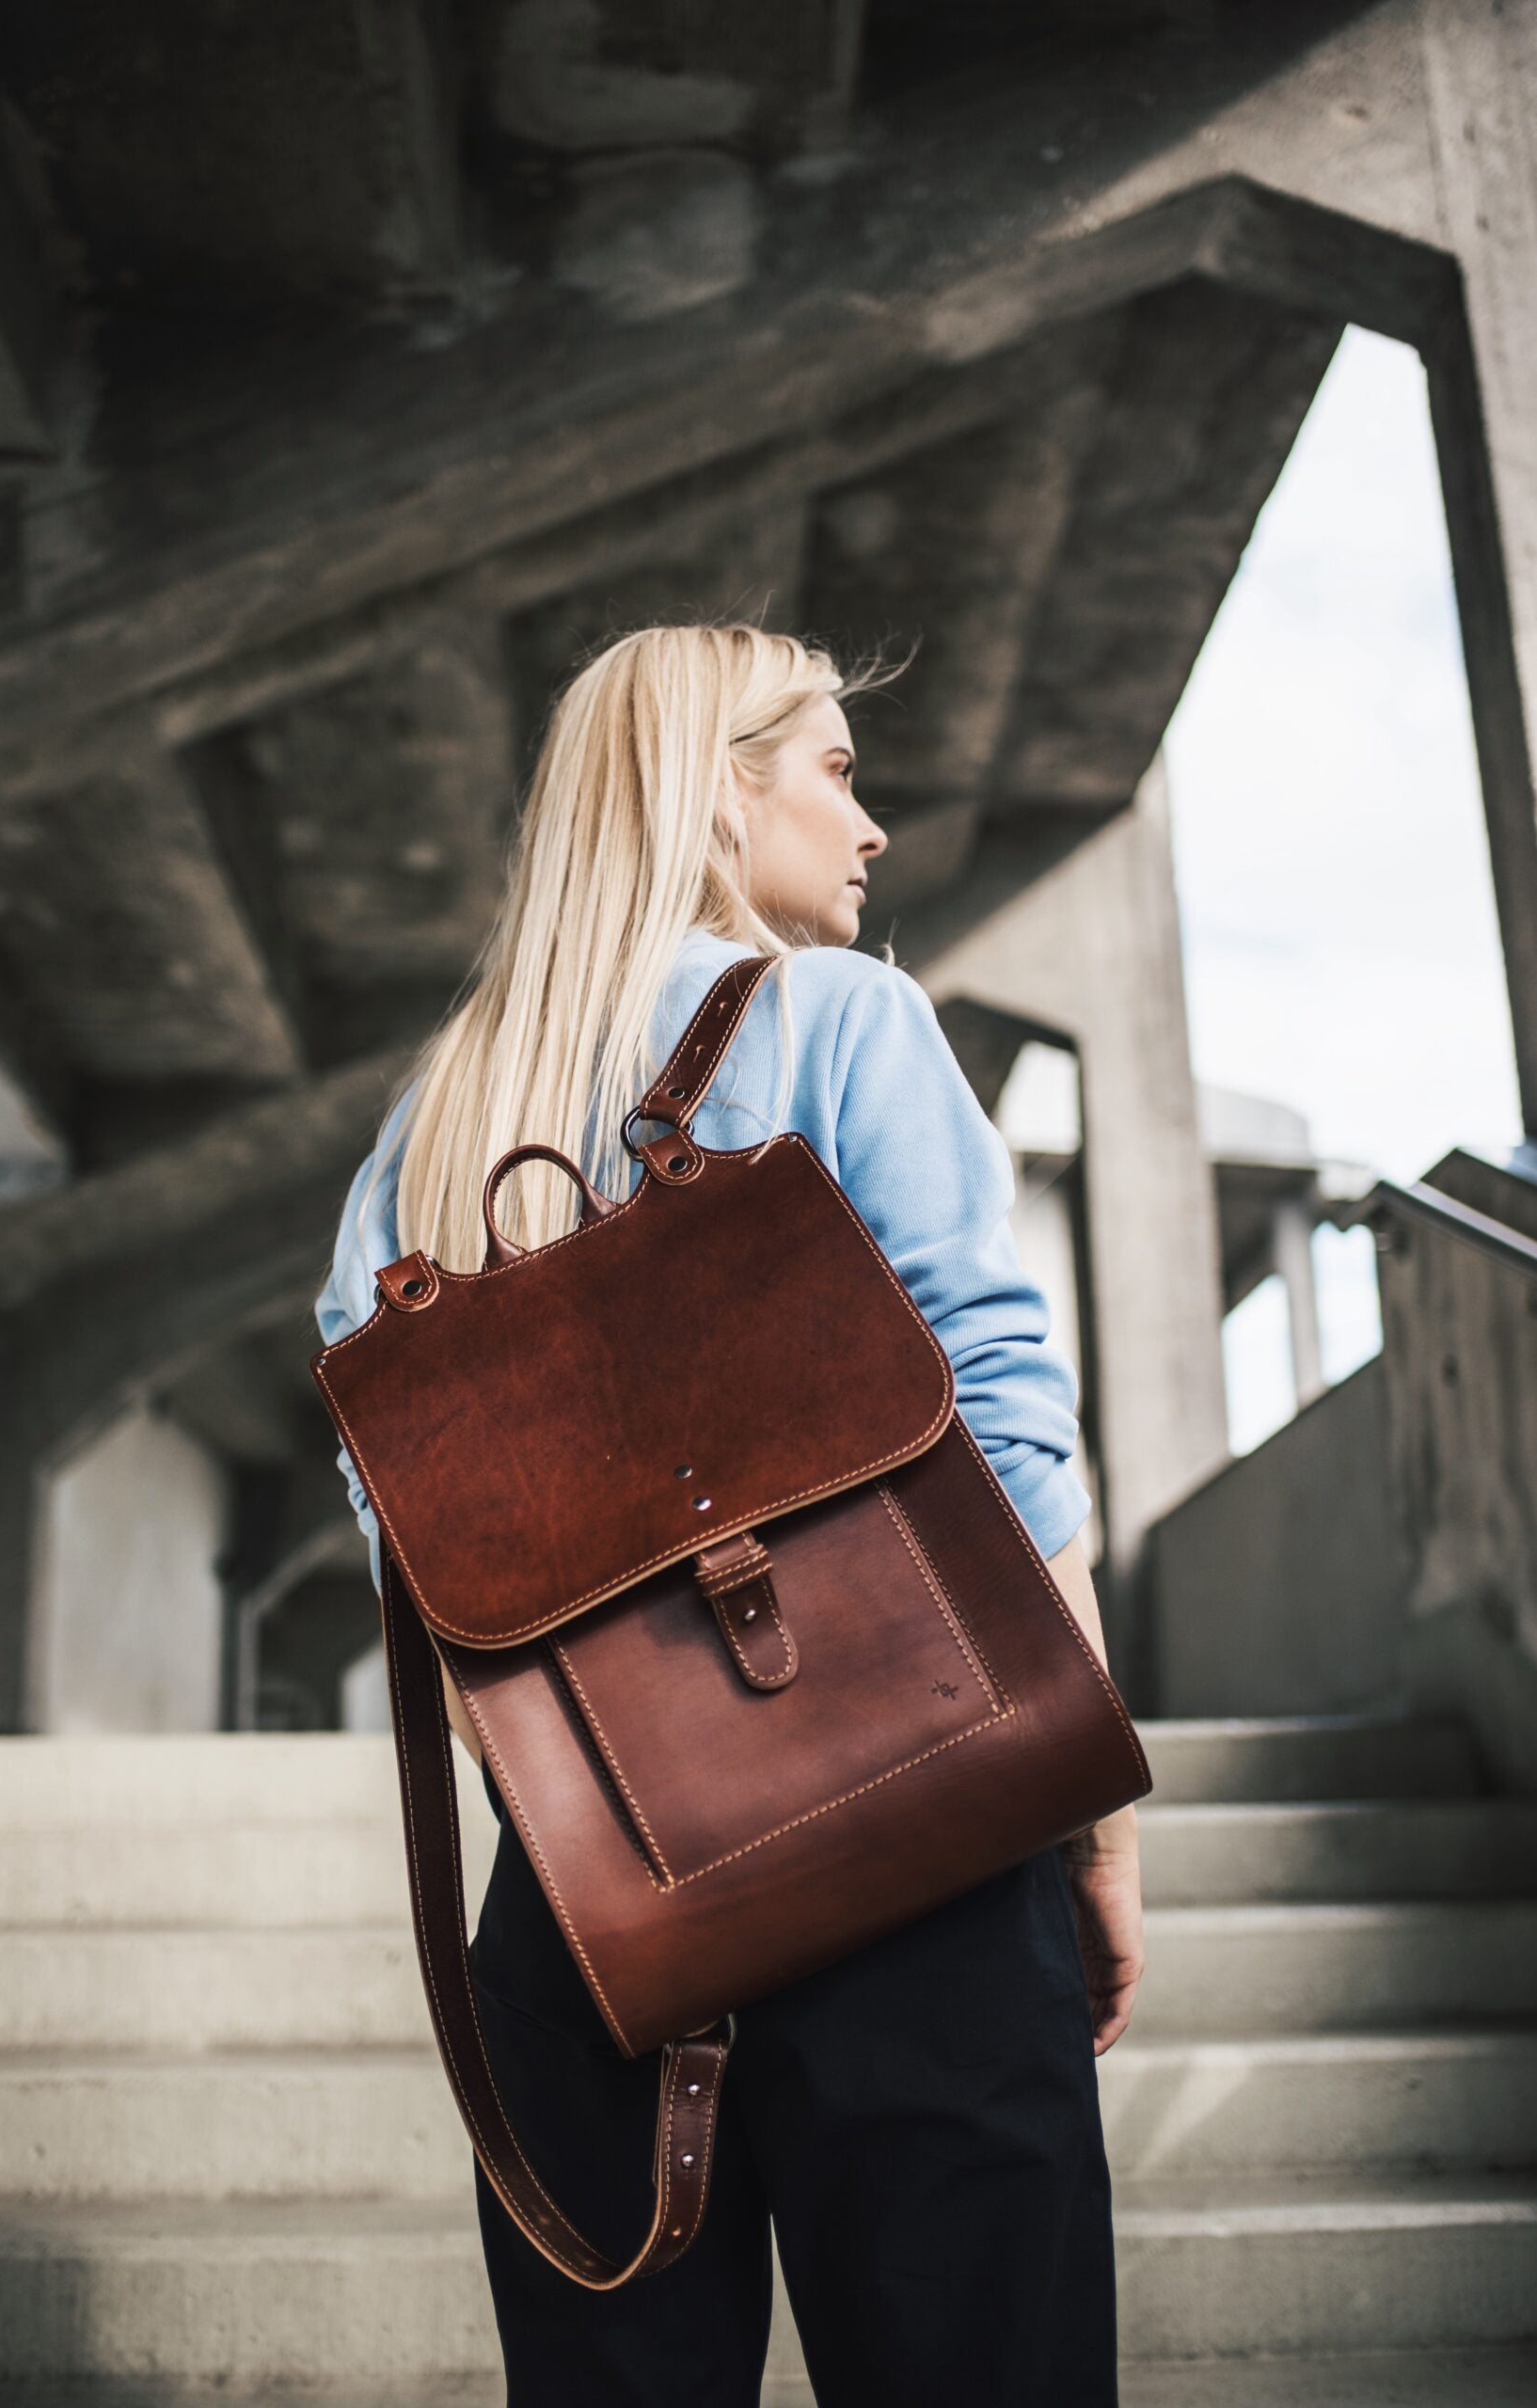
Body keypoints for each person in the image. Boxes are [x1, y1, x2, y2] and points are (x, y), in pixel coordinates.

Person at [315, 623, 1144, 2407]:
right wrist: (1089, 1809)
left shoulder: (431, 1127)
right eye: (834, 773)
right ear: (713, 795)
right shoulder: (846, 1021)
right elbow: (995, 1404)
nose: (873, 829)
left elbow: (413, 1548)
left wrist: (606, 1812)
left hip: (589, 1912)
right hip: (907, 1823)